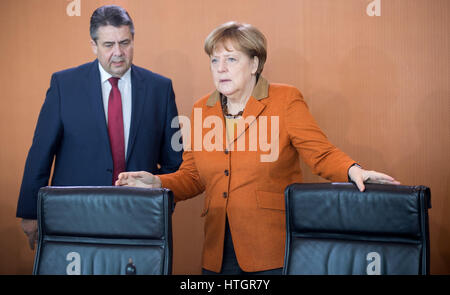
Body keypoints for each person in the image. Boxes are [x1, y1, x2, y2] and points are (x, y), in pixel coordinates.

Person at [116, 21, 400, 275]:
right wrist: (156, 182)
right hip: (217, 250)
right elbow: (193, 175)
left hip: (272, 248)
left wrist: (353, 170)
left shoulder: (285, 100)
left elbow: (320, 153)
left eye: (231, 59)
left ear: (254, 64)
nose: (220, 68)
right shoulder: (203, 108)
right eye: (215, 61)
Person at [16, 5, 182, 251]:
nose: (118, 53)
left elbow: (174, 162)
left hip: (140, 220)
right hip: (74, 219)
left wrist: (161, 203)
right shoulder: (64, 85)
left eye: (125, 43)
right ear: (93, 45)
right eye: (108, 45)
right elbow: (41, 151)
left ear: (133, 40)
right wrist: (30, 212)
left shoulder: (160, 88)